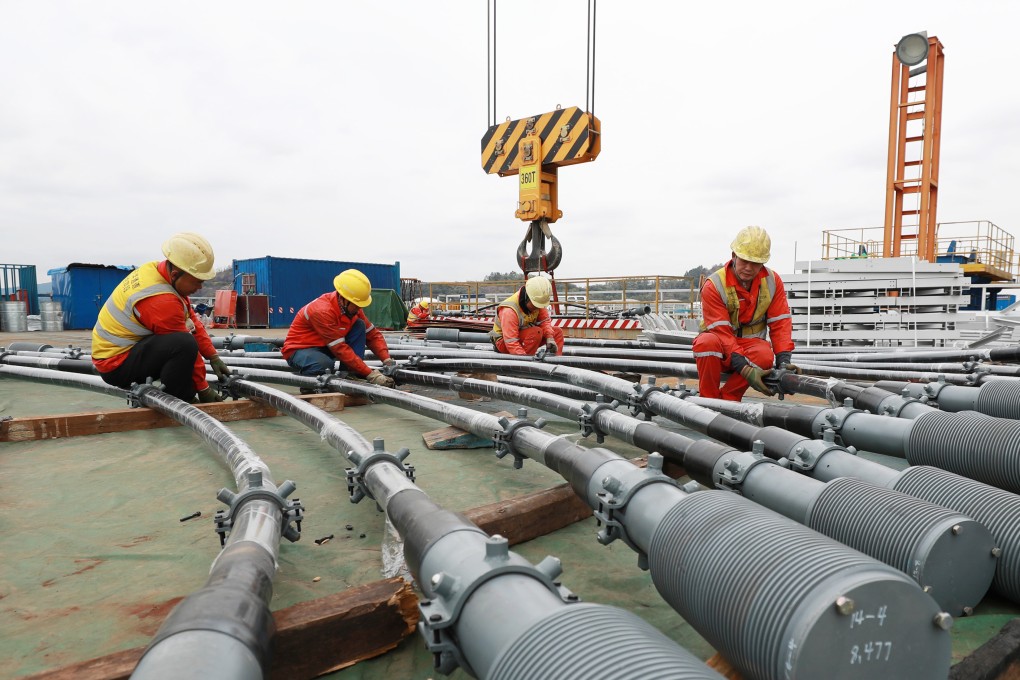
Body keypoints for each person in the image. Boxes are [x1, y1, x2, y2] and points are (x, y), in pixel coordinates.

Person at [91, 232, 230, 403]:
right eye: (196, 281)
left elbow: (190, 320)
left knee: (182, 342)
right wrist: (203, 389)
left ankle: (180, 392)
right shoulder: (160, 300)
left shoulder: (156, 271)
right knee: (183, 344)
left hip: (126, 353)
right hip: (116, 365)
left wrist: (212, 356)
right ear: (175, 274)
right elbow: (185, 342)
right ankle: (181, 399)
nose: (200, 287)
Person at [692, 225, 797, 401]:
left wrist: (784, 361)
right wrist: (745, 369)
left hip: (749, 347)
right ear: (733, 256)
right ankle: (708, 400)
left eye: (755, 262)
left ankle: (729, 399)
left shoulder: (772, 282)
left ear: (763, 263)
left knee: (764, 354)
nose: (749, 267)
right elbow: (722, 334)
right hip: (720, 348)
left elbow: (780, 323)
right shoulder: (715, 285)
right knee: (706, 343)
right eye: (744, 260)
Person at [282, 268, 396, 387]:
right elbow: (339, 348)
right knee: (323, 365)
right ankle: (310, 387)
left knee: (359, 325)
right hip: (300, 350)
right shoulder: (322, 311)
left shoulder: (353, 310)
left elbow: (372, 335)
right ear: (343, 299)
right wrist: (370, 374)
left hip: (326, 347)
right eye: (356, 305)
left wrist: (387, 360)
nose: (359, 308)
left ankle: (350, 374)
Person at [490, 276, 564, 356]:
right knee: (536, 332)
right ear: (527, 298)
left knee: (557, 332)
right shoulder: (509, 311)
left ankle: (555, 361)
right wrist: (523, 359)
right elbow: (511, 341)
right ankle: (528, 362)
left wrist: (550, 338)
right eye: (535, 305)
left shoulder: (537, 302)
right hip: (504, 342)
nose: (538, 308)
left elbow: (544, 321)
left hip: (524, 337)